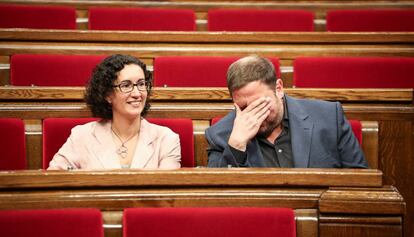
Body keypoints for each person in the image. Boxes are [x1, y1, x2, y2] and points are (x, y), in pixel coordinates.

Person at [205, 55, 368, 168]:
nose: (253, 116)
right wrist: (236, 146)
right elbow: (217, 198)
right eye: (243, 107)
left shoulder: (328, 117)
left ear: (279, 88)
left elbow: (360, 181)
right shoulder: (221, 135)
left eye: (260, 105)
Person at [48, 54, 181, 170]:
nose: (137, 93)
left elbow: (167, 192)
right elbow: (55, 178)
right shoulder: (82, 136)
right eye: (126, 85)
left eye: (141, 84)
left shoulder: (166, 139)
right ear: (107, 94)